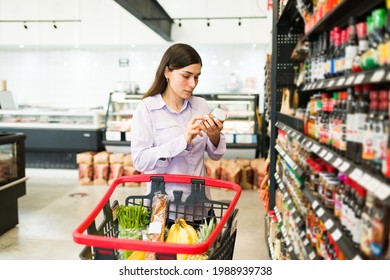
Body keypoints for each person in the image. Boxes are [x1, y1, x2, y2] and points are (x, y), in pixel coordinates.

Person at [130, 43, 226, 222]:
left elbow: (216, 155)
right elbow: (140, 161)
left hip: (200, 206)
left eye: (197, 77)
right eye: (186, 76)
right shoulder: (147, 109)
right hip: (166, 209)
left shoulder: (201, 105)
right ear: (167, 72)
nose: (193, 84)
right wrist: (183, 140)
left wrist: (214, 135)